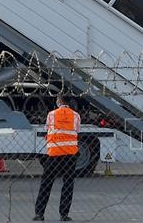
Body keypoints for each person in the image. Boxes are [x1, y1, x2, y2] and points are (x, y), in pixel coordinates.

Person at [34, 94, 81, 222]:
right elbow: (76, 131)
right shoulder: (76, 115)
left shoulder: (52, 114)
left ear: (59, 101)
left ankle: (39, 213)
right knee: (68, 184)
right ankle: (64, 214)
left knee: (46, 183)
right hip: (70, 155)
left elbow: (47, 129)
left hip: (54, 154)